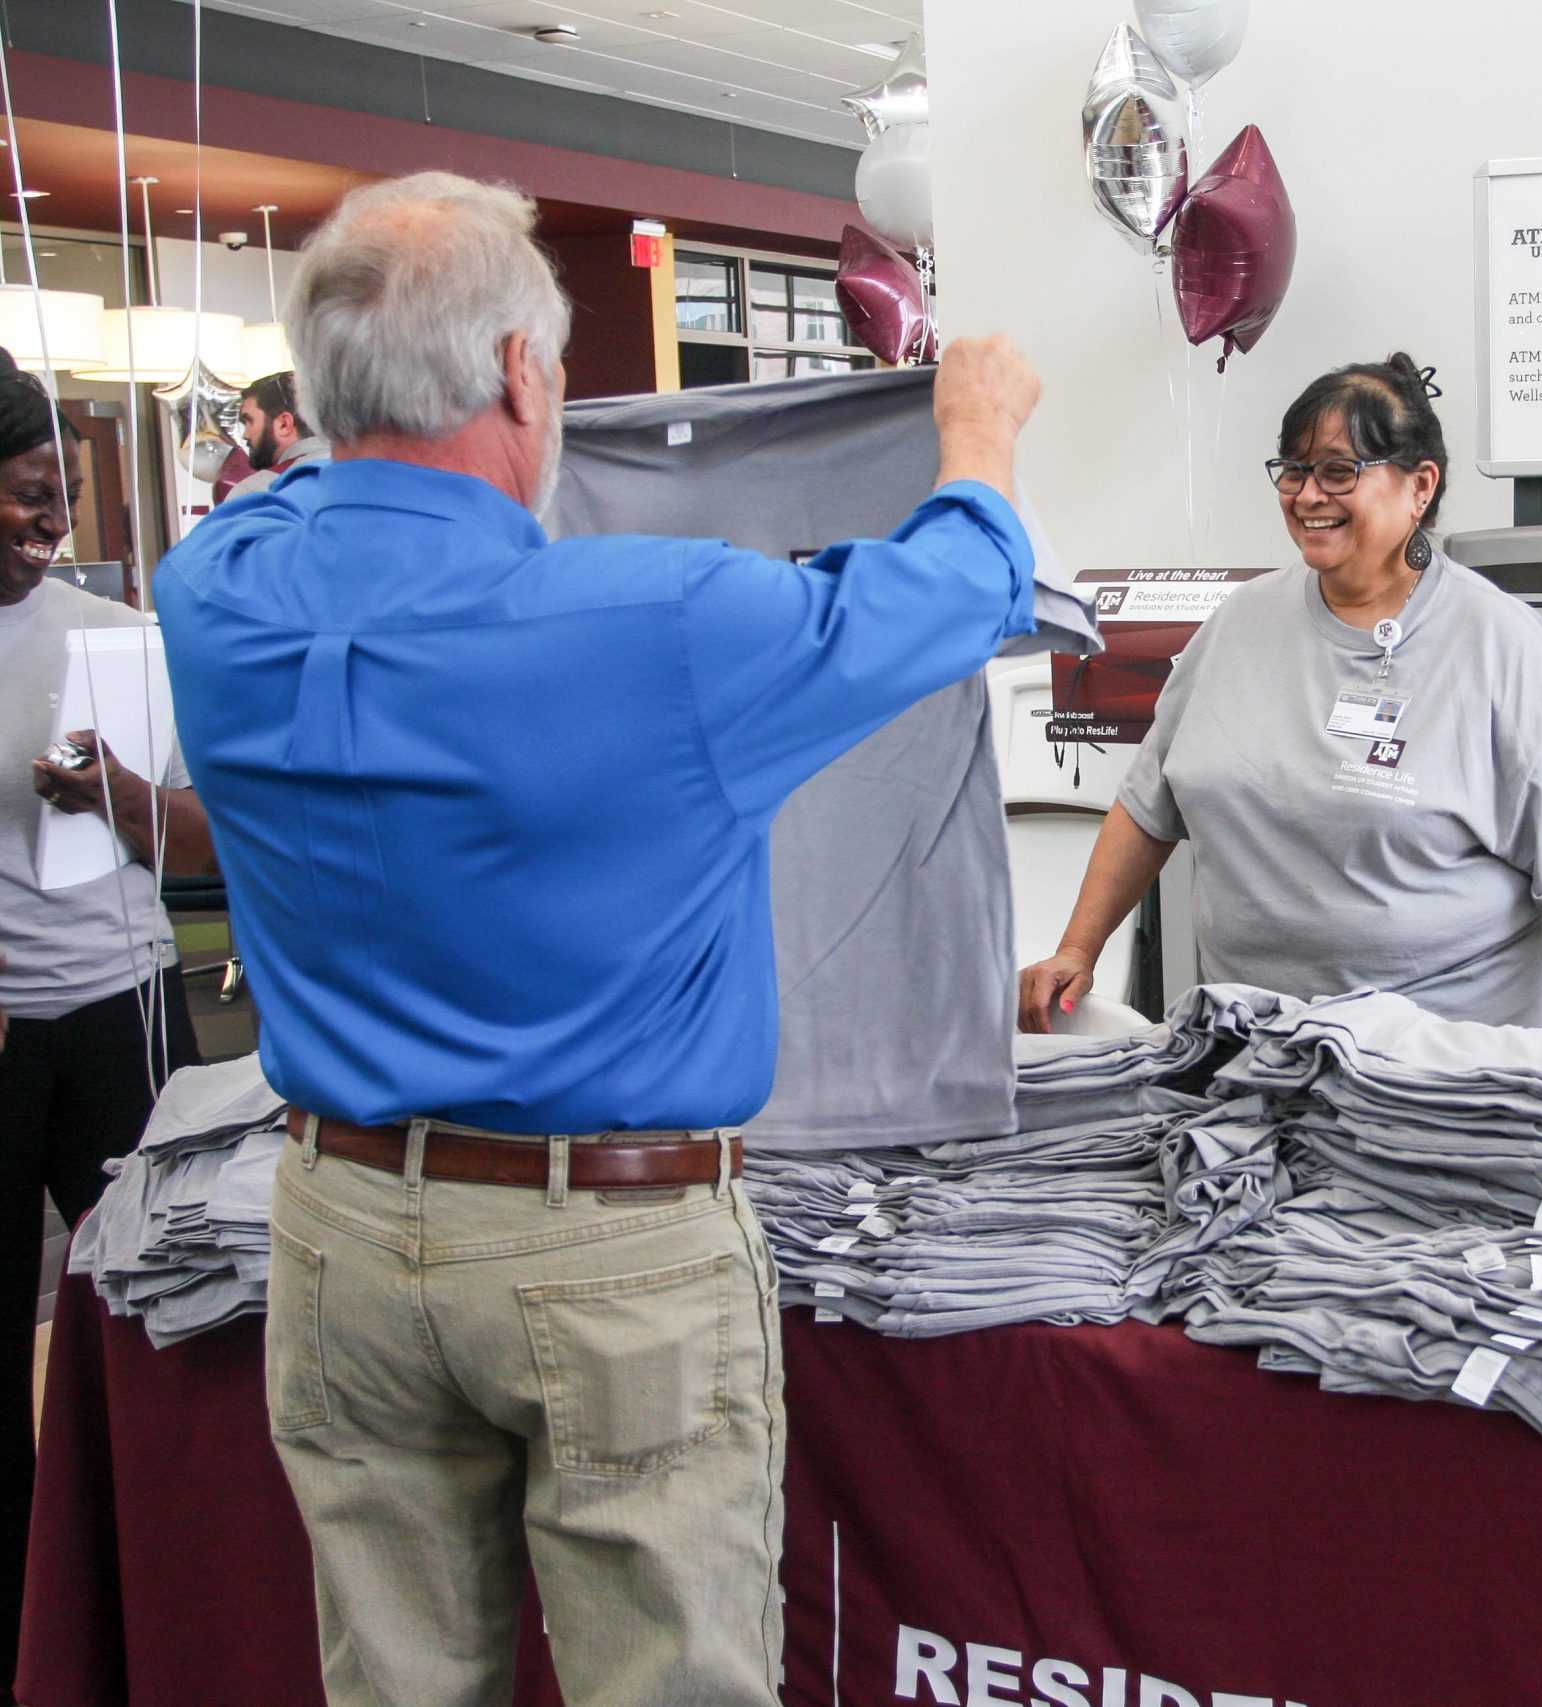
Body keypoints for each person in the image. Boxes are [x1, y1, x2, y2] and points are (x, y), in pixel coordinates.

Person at [153, 172, 1043, 1706]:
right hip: (608, 1258)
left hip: (341, 1227)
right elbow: (966, 586)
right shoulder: (668, 625)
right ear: (516, 370)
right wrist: (977, 431)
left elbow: (306, 487)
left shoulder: (217, 591)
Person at [1021, 353, 1542, 1035]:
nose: (1307, 495)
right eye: (1293, 469)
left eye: (1337, 470)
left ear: (1421, 488)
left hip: (1463, 1068)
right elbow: (1146, 808)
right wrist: (1079, 947)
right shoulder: (1240, 623)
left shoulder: (1498, 644)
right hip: (1265, 1052)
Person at [0, 369, 214, 1698]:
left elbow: (196, 832)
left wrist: (119, 798)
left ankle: (169, 1582)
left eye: (57, 493)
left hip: (120, 1006)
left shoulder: (115, 635)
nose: (48, 519)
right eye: (27, 494)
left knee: (163, 1310)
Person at [222, 369, 330, 501]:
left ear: (284, 424)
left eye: (249, 421)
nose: (245, 434)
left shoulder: (256, 492)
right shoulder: (356, 476)